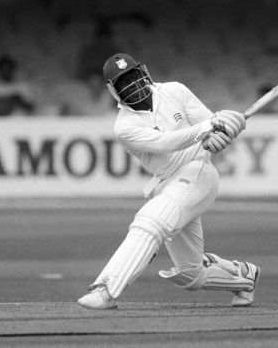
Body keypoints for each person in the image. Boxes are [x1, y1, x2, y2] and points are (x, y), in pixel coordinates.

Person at [77, 53, 260, 310]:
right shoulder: (124, 127)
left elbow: (210, 124)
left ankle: (107, 289)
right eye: (123, 82)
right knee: (191, 274)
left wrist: (222, 134)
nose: (133, 84)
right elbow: (166, 143)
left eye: (134, 76)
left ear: (144, 72)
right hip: (168, 182)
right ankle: (243, 276)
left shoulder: (175, 90)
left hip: (199, 172)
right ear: (113, 91)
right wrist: (208, 128)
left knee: (151, 220)